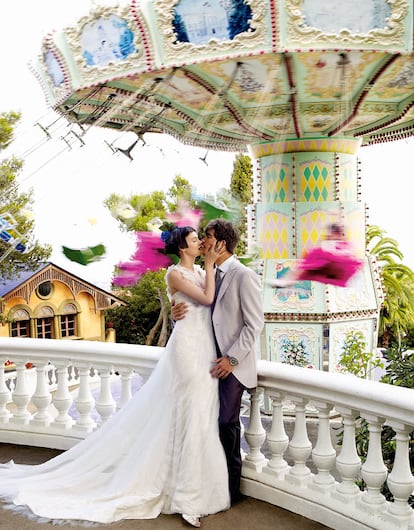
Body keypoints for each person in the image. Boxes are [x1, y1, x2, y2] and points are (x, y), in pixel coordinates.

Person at [0, 226, 230, 528]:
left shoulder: (201, 271)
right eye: (194, 240)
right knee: (189, 411)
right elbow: (208, 298)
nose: (200, 243)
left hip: (205, 348)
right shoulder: (176, 274)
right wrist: (210, 266)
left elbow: (211, 306)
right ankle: (186, 497)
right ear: (182, 248)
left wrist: (208, 269)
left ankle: (193, 488)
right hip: (187, 350)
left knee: (200, 415)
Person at [172, 219, 264, 505]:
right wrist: (176, 311)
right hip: (206, 360)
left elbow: (254, 324)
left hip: (232, 365)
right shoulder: (204, 271)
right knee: (209, 423)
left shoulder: (243, 275)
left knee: (227, 423)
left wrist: (233, 359)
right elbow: (195, 299)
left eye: (208, 237)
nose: (203, 242)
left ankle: (231, 491)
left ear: (221, 242)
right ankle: (213, 487)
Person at [269, 222, 363, 288]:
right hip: (337, 274)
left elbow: (343, 256)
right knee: (313, 262)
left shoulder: (344, 245)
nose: (328, 236)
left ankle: (289, 279)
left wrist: (327, 252)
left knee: (316, 254)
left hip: (343, 273)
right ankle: (290, 279)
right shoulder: (339, 243)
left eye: (331, 234)